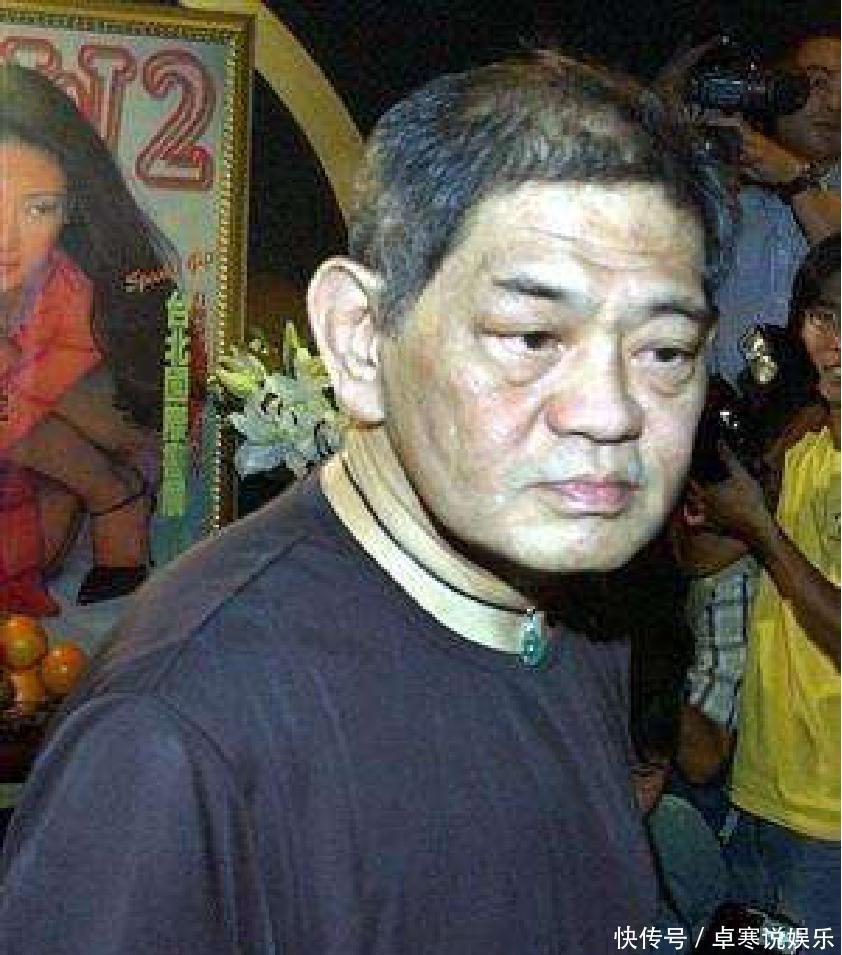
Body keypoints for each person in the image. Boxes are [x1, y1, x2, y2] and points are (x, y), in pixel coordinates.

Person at [0, 52, 732, 954]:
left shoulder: (584, 609)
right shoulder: (175, 729)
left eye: (665, 351)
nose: (611, 411)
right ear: (357, 338)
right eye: (533, 336)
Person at [685, 234, 840, 933]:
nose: (836, 341)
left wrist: (763, 532)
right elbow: (700, 556)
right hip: (756, 793)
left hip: (831, 822)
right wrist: (731, 484)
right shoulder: (798, 450)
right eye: (823, 316)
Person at [0, 64, 174, 611]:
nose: (6, 239)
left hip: (43, 502)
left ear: (71, 209)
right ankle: (113, 492)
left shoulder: (76, 297)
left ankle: (113, 494)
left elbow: (117, 429)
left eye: (38, 208)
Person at [707, 29, 840, 385]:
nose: (835, 104)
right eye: (818, 83)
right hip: (728, 405)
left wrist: (795, 178)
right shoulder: (726, 191)